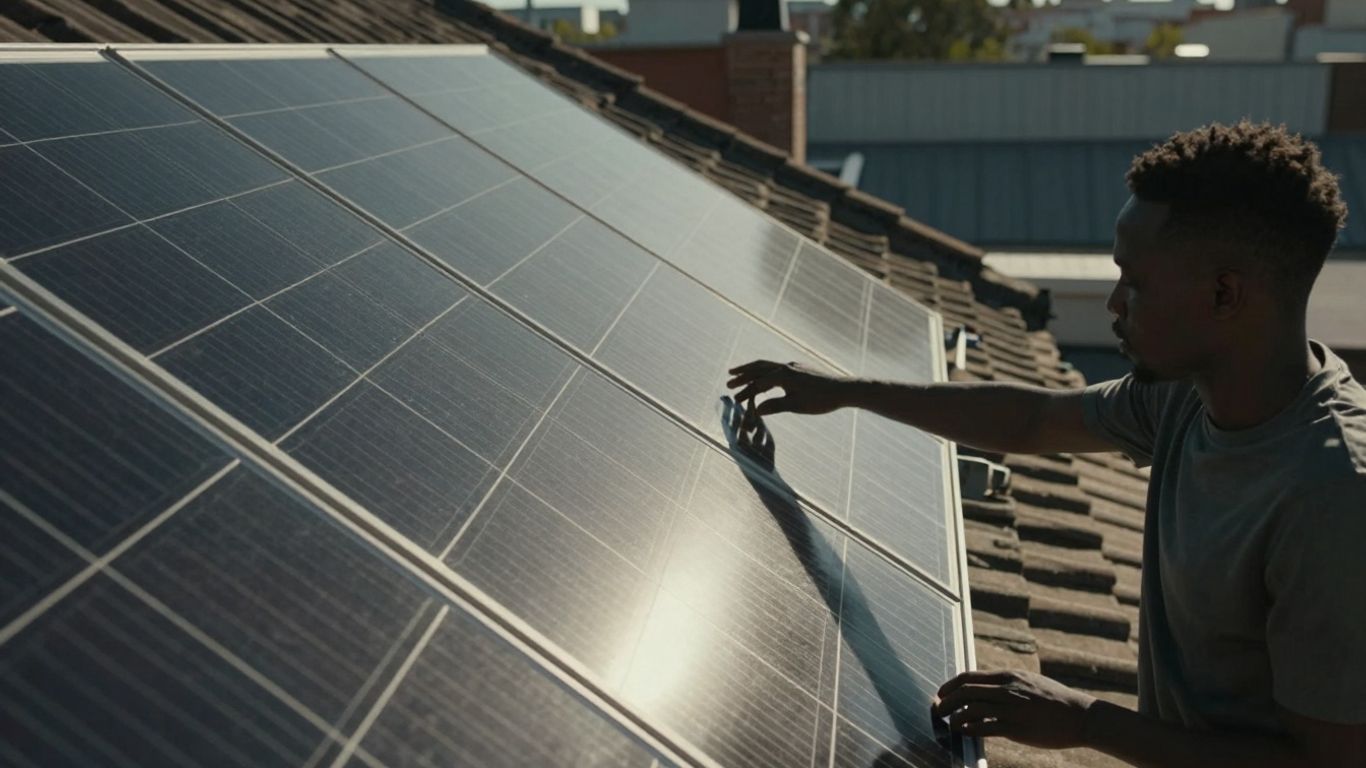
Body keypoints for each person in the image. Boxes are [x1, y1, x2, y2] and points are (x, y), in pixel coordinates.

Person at [726, 120, 1365, 766]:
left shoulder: (1331, 497)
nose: (1115, 303)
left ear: (1225, 294)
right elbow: (1031, 420)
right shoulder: (1187, 394)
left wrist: (1087, 720)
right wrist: (847, 391)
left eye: (1135, 282)